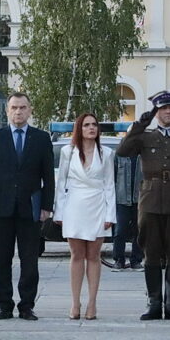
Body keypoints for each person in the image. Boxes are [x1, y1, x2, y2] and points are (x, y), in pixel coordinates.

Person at [116, 90, 170, 321]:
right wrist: (138, 126)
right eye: (163, 108)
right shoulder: (145, 137)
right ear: (156, 112)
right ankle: (154, 303)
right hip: (151, 201)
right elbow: (123, 151)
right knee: (151, 254)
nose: (168, 112)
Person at [0, 92, 54, 321]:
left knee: (29, 259)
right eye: (14, 108)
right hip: (1, 209)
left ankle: (27, 305)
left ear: (30, 110)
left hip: (30, 209)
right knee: (1, 259)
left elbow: (48, 176)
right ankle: (4, 305)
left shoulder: (41, 138)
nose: (18, 112)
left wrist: (46, 206)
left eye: (22, 107)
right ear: (7, 111)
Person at [53, 113, 115, 320]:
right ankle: (75, 303)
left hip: (98, 205)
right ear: (79, 129)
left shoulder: (106, 153)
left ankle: (92, 303)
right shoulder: (67, 152)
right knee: (77, 255)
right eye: (86, 125)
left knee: (94, 256)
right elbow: (61, 183)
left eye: (94, 125)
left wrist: (110, 214)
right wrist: (59, 212)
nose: (91, 128)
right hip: (74, 206)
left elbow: (109, 185)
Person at [113, 153, 144, 270]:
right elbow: (113, 177)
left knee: (139, 230)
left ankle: (136, 260)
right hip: (121, 199)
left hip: (140, 199)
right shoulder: (119, 156)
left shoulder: (143, 155)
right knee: (120, 231)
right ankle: (118, 260)